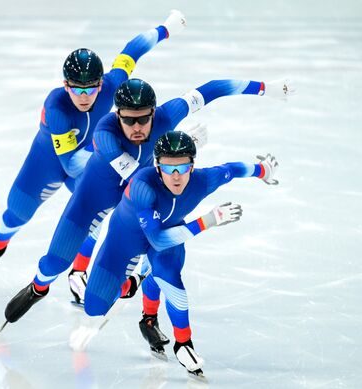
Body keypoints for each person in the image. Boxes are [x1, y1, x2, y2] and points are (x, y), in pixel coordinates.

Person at [2, 77, 293, 334]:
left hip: (133, 206)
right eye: (129, 120)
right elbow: (138, 174)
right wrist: (182, 148)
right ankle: (38, 288)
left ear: (154, 112)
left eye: (144, 119)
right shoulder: (106, 134)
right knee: (56, 261)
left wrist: (266, 89)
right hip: (91, 201)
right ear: (118, 117)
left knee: (99, 301)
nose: (137, 127)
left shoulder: (168, 116)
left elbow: (213, 89)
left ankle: (141, 285)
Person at [0, 10, 188, 290]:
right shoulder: (56, 107)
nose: (84, 96)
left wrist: (165, 29)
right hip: (49, 164)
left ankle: (78, 271)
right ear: (65, 85)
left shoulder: (111, 84)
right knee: (18, 212)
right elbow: (70, 165)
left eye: (90, 89)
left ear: (100, 84)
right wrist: (110, 154)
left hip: (88, 160)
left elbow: (131, 52)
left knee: (96, 210)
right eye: (76, 89)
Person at [83, 131, 279, 376]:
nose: (176, 176)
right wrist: (208, 221)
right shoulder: (144, 187)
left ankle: (181, 341)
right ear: (157, 167)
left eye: (183, 166)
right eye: (167, 167)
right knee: (94, 308)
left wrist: (262, 170)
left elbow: (231, 169)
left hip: (171, 232)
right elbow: (156, 239)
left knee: (170, 277)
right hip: (127, 237)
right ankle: (135, 285)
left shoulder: (204, 180)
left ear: (192, 166)